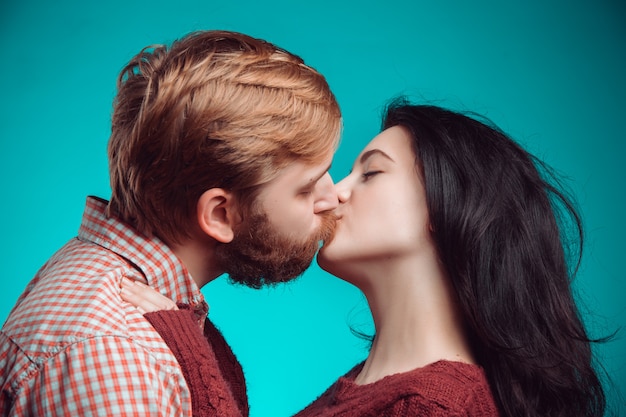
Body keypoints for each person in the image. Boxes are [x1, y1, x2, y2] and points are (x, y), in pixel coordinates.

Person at [121, 100, 608, 417]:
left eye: (370, 173)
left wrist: (182, 336)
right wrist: (192, 335)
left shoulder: (433, 408)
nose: (333, 192)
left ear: (444, 207)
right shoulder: (370, 386)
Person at [0, 30, 342, 417]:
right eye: (307, 187)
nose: (332, 197)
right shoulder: (118, 358)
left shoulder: (105, 291)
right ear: (219, 215)